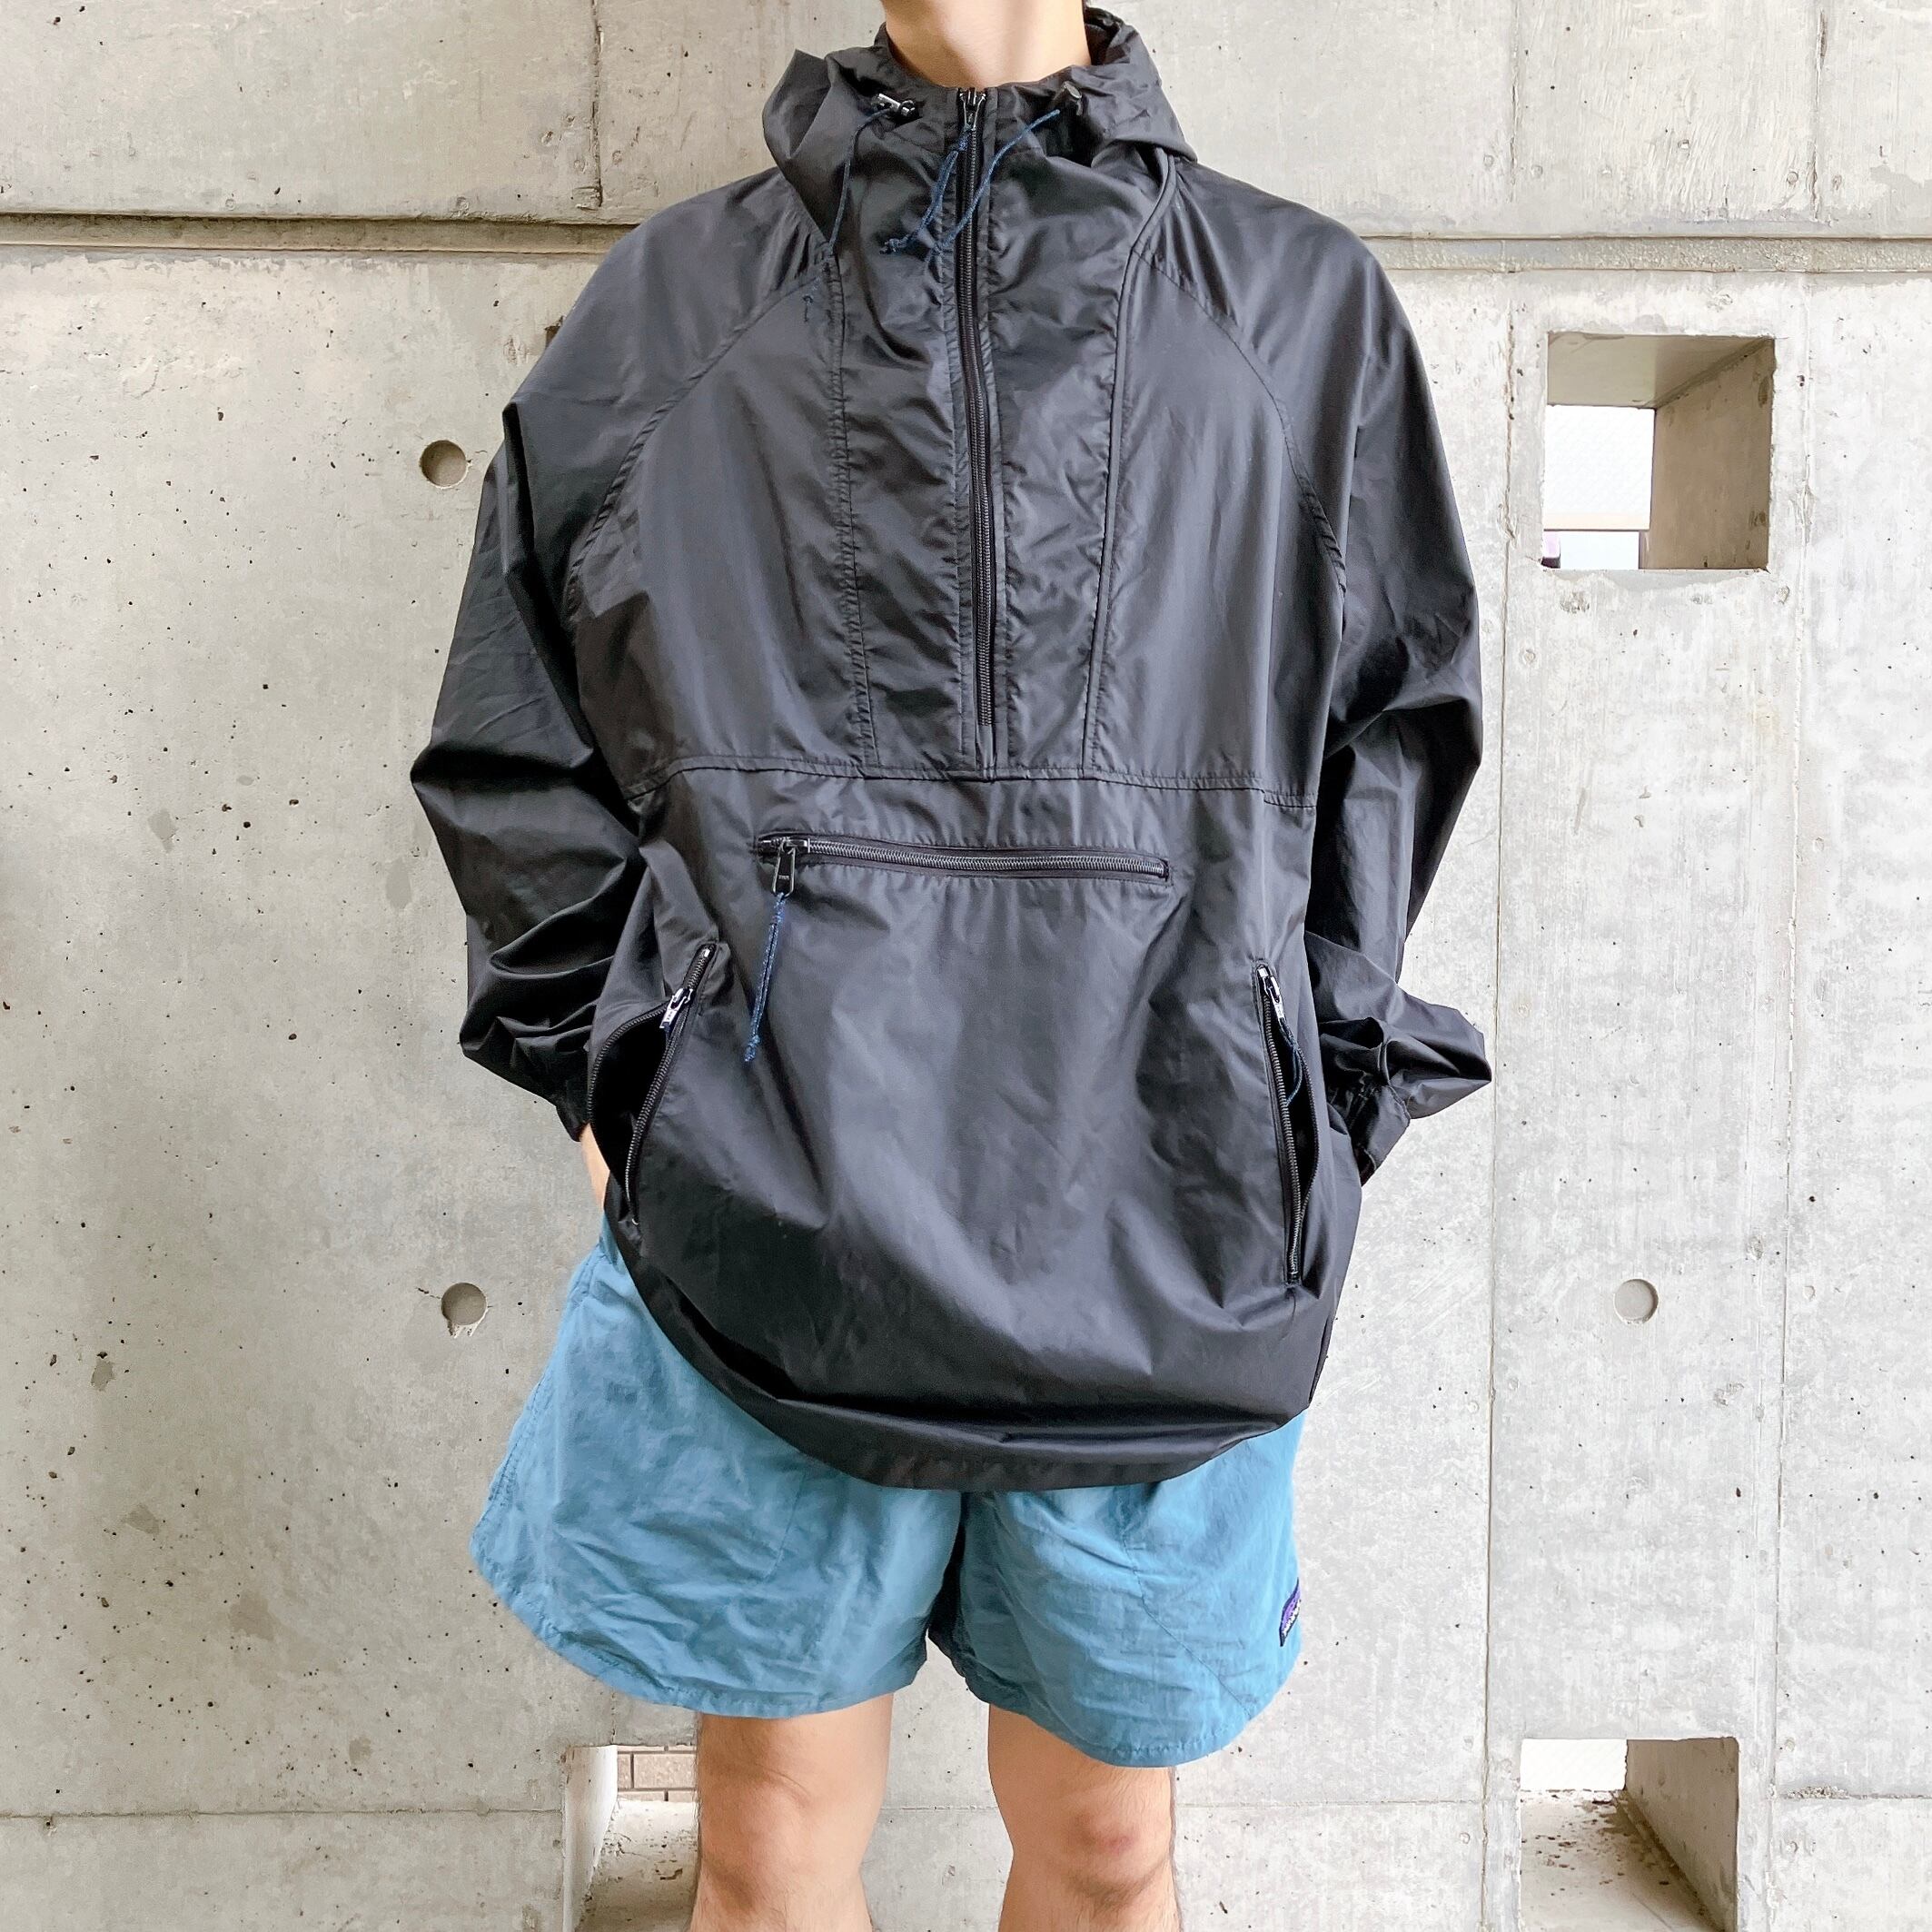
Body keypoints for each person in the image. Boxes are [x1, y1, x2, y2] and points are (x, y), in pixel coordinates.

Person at [411, 3, 1489, 1926]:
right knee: (765, 1844)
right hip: (768, 1231)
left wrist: (1299, 1100)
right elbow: (518, 736)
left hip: (1167, 1231)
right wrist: (620, 1079)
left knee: (1109, 1846)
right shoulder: (677, 301)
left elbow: (1393, 735)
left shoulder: (1292, 303)